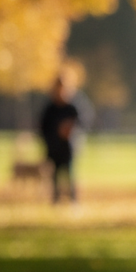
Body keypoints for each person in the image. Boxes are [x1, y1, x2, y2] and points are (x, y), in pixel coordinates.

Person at [40, 74, 81, 203]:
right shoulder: (50, 109)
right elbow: (43, 128)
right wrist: (54, 135)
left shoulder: (71, 107)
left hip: (68, 148)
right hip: (54, 148)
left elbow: (82, 122)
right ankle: (56, 199)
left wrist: (70, 129)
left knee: (70, 174)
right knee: (55, 176)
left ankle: (73, 199)